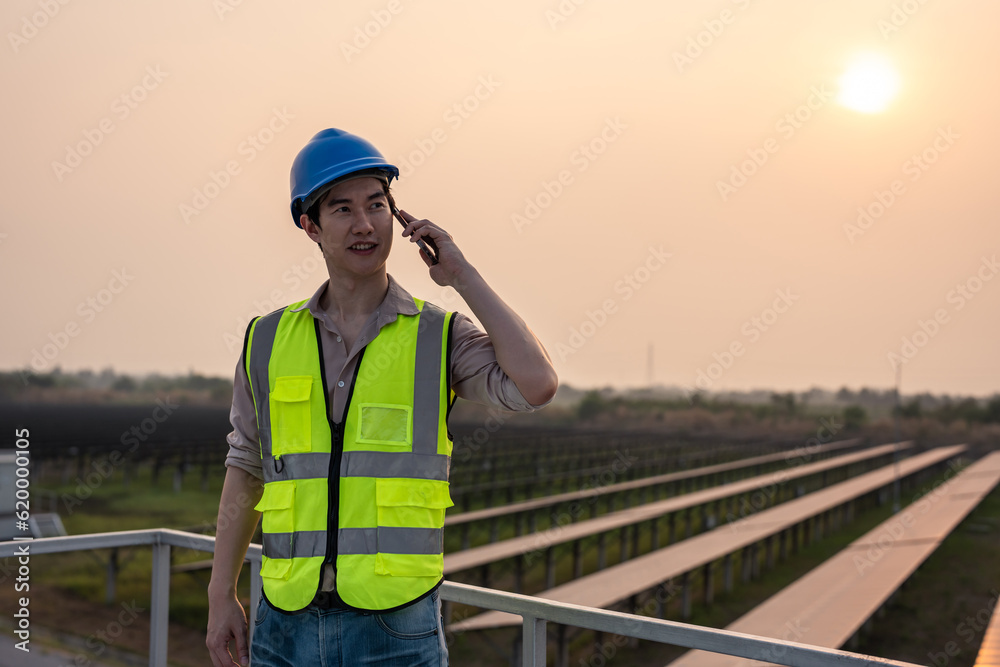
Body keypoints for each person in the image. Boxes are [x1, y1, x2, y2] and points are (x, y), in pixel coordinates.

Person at [206, 128, 558, 667]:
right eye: (343, 209)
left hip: (396, 627)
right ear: (310, 226)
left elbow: (537, 385)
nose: (365, 224)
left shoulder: (438, 336)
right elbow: (246, 467)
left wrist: (461, 275)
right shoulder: (268, 339)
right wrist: (220, 596)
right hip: (282, 621)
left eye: (376, 205)